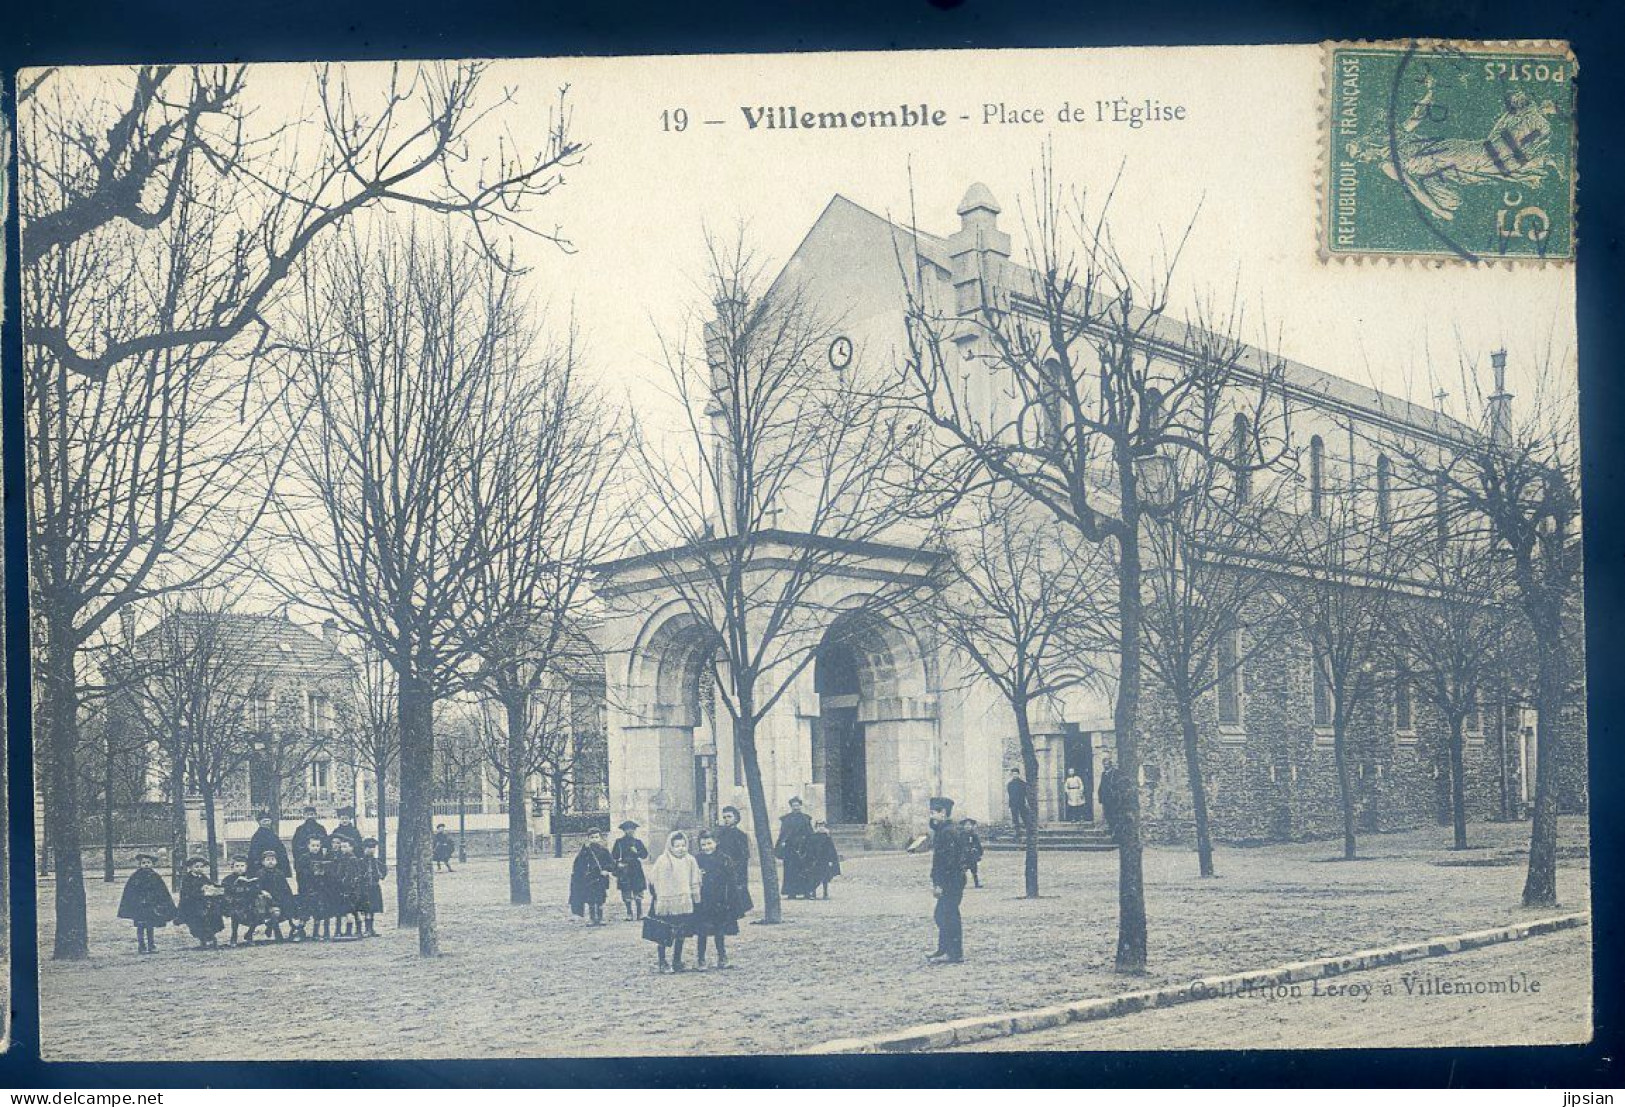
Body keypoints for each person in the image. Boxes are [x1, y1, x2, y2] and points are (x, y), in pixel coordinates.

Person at [646, 830, 702, 973]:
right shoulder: (663, 860)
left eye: (683, 845)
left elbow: (695, 879)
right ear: (671, 846)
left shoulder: (690, 860)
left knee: (681, 932)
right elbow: (653, 879)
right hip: (666, 903)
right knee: (663, 932)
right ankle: (662, 961)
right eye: (677, 846)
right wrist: (660, 896)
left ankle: (677, 960)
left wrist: (695, 895)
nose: (680, 848)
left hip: (684, 902)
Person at [693, 829, 745, 969]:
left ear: (716, 843)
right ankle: (701, 959)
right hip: (703, 901)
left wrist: (731, 901)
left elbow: (731, 880)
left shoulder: (724, 859)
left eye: (709, 843)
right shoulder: (696, 860)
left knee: (719, 931)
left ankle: (722, 957)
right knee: (702, 931)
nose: (707, 847)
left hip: (720, 900)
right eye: (703, 844)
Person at [927, 796, 969, 964]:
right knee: (945, 914)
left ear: (943, 812)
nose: (931, 816)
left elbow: (948, 862)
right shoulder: (944, 830)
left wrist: (940, 884)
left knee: (946, 915)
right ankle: (944, 949)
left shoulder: (948, 832)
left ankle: (954, 953)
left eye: (933, 813)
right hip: (952, 880)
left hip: (951, 881)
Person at [117, 852, 175, 954]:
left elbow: (161, 891)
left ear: (152, 864)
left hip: (151, 907)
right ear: (140, 864)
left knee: (150, 926)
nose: (146, 865)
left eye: (148, 862)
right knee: (140, 926)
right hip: (140, 907)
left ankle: (151, 945)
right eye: (144, 863)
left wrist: (159, 902)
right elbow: (130, 891)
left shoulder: (155, 876)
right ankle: (141, 946)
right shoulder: (136, 877)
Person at [176, 856, 226, 950]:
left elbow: (211, 883)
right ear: (190, 868)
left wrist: (216, 887)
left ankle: (211, 937)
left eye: (201, 867)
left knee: (213, 917)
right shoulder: (187, 878)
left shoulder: (203, 876)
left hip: (205, 903)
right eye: (196, 867)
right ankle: (203, 939)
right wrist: (201, 890)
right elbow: (187, 893)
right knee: (198, 921)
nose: (199, 869)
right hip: (192, 904)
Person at [569, 828, 615, 925]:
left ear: (600, 838)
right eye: (592, 837)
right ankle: (592, 918)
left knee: (600, 898)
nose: (594, 839)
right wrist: (583, 850)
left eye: (596, 837)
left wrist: (606, 870)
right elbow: (578, 863)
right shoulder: (585, 851)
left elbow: (611, 863)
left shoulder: (604, 851)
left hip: (601, 878)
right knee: (590, 898)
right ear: (588, 838)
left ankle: (600, 918)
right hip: (589, 878)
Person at [714, 806, 754, 915]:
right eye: (724, 817)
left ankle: (742, 908)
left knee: (737, 885)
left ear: (736, 818)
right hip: (723, 864)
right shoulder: (721, 834)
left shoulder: (741, 835)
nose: (726, 819)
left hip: (737, 864)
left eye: (729, 817)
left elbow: (744, 854)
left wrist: (736, 865)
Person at [774, 797, 816, 899]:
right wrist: (782, 844)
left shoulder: (806, 818)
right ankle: (791, 892)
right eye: (794, 806)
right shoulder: (786, 819)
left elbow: (810, 833)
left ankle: (806, 892)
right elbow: (783, 834)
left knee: (805, 870)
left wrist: (810, 845)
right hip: (791, 849)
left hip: (803, 848)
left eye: (798, 805)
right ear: (791, 807)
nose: (796, 808)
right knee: (790, 871)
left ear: (801, 806)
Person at [296, 836, 334, 941]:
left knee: (320, 910)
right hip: (307, 889)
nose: (315, 848)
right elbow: (300, 873)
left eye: (317, 845)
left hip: (320, 888)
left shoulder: (323, 857)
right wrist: (311, 872)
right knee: (305, 911)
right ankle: (299, 932)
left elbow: (329, 873)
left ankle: (317, 933)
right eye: (313, 845)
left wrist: (324, 873)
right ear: (308, 846)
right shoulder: (304, 858)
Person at [611, 820, 650, 920]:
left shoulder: (638, 842)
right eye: (628, 829)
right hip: (624, 869)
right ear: (624, 830)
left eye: (632, 829)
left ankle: (640, 913)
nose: (630, 831)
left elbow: (645, 855)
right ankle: (629, 913)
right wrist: (618, 864)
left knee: (638, 891)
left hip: (636, 868)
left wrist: (637, 852)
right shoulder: (619, 842)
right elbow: (613, 856)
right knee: (626, 891)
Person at [255, 851, 295, 941]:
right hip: (267, 901)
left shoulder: (279, 873)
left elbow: (286, 888)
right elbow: (256, 887)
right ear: (263, 862)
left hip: (279, 899)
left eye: (272, 859)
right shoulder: (260, 873)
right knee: (275, 912)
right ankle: (277, 933)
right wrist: (262, 891)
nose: (270, 862)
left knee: (290, 909)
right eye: (267, 860)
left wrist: (290, 898)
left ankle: (270, 926)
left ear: (276, 861)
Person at [221, 857, 259, 945]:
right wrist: (236, 885)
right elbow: (225, 892)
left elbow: (256, 890)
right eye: (237, 866)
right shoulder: (228, 879)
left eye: (242, 866)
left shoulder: (250, 877)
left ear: (246, 867)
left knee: (258, 913)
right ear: (232, 867)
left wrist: (251, 887)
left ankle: (249, 934)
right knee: (235, 914)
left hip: (249, 903)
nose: (240, 868)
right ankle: (234, 936)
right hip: (234, 904)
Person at [246, 812, 289, 879]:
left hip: (274, 863)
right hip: (262, 865)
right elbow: (254, 852)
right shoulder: (256, 837)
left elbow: (281, 850)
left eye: (268, 821)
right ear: (259, 822)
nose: (267, 823)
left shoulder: (273, 835)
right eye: (264, 821)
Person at [807, 820, 842, 899]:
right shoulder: (813, 837)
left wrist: (831, 860)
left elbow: (831, 850)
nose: (821, 827)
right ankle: (813, 893)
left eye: (822, 825)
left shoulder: (827, 838)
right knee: (814, 877)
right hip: (815, 860)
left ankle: (825, 893)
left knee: (825, 878)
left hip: (824, 860)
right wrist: (811, 859)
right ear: (816, 827)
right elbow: (810, 849)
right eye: (819, 825)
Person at [360, 837, 387, 937]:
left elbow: (383, 872)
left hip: (374, 887)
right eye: (369, 847)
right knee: (366, 908)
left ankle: (371, 929)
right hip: (364, 888)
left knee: (373, 909)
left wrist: (381, 874)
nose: (371, 850)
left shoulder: (377, 862)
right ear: (364, 848)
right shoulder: (361, 861)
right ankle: (367, 929)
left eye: (373, 847)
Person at [1098, 756, 1125, 845]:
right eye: (1104, 764)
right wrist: (1100, 797)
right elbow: (1101, 786)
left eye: (1107, 764)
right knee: (1108, 816)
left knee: (1115, 816)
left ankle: (1116, 836)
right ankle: (1112, 832)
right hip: (1106, 799)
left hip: (1113, 799)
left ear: (1110, 764)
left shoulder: (1115, 773)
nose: (1105, 766)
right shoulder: (1103, 774)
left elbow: (1118, 785)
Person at [1007, 768, 1033, 834]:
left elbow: (1026, 794)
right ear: (1011, 775)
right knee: (1015, 819)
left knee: (1024, 818)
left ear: (1019, 774)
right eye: (1013, 774)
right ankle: (1017, 833)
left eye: (1016, 774)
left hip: (1021, 803)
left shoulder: (1023, 784)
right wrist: (1010, 805)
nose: (1015, 775)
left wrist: (1026, 803)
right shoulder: (1010, 784)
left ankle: (1028, 832)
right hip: (1013, 804)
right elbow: (1010, 795)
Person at [961, 817, 985, 888]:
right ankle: (961, 883)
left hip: (971, 855)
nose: (967, 826)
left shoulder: (974, 835)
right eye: (966, 825)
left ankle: (977, 883)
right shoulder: (960, 835)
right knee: (962, 870)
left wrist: (978, 852)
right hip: (963, 855)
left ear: (972, 826)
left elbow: (978, 844)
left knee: (974, 870)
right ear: (963, 826)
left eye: (969, 825)